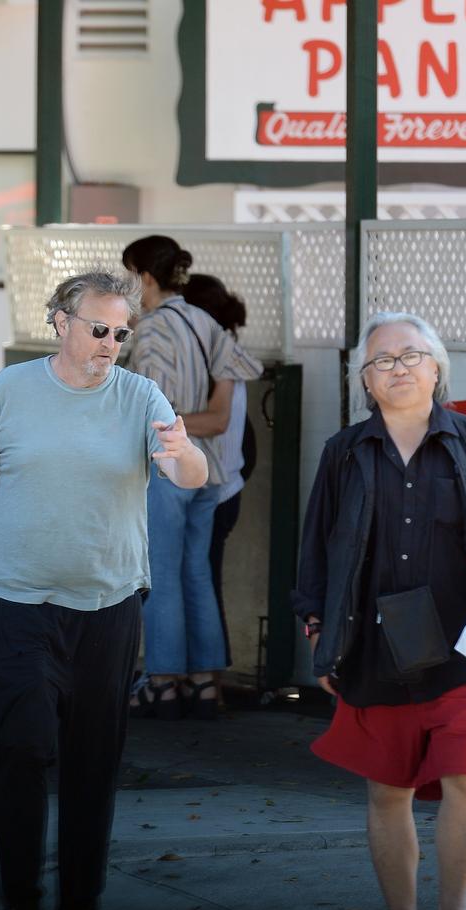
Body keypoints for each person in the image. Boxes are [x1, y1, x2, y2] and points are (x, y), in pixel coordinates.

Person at [0, 270, 208, 910]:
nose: (111, 343)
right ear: (60, 321)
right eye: (98, 328)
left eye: (122, 332)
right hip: (19, 603)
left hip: (110, 607)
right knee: (18, 751)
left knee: (92, 765)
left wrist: (185, 454)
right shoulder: (11, 391)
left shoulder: (140, 396)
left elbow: (191, 473)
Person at [292, 311, 466, 910]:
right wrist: (317, 628)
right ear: (365, 381)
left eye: (410, 356)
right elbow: (315, 546)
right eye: (382, 361)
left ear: (436, 368)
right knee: (386, 789)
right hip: (373, 645)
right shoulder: (345, 450)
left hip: (465, 645)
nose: (398, 368)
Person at [123, 236, 262, 720]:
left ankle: (162, 681)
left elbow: (149, 410)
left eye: (129, 275)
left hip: (166, 466)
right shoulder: (206, 322)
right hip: (211, 470)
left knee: (159, 573)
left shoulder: (153, 331)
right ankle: (203, 681)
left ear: (144, 276)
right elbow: (223, 414)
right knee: (197, 571)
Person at [182, 273, 257, 667]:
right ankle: (203, 681)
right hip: (223, 489)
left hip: (215, 491)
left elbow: (217, 421)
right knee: (200, 583)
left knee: (199, 584)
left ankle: (206, 678)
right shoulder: (221, 352)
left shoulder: (217, 357)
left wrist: (157, 420)